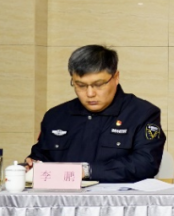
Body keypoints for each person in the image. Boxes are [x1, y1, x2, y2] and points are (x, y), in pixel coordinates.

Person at [27, 45, 166, 182]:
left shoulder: (142, 113)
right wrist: (32, 165)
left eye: (99, 85)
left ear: (116, 77)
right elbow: (40, 158)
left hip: (117, 196)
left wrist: (87, 171)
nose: (90, 93)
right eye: (81, 85)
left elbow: (146, 163)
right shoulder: (55, 116)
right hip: (63, 195)